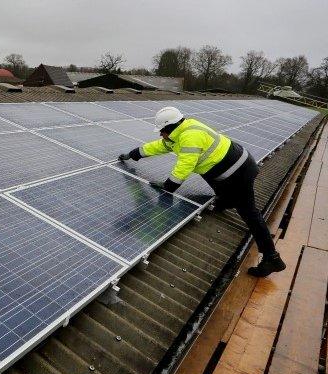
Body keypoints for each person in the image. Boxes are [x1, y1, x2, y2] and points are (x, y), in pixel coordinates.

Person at [118, 106, 285, 277]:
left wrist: (168, 188)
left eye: (162, 131)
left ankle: (272, 258)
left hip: (238, 172)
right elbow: (160, 146)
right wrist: (134, 154)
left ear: (170, 128)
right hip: (227, 169)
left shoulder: (190, 137)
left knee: (249, 212)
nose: (161, 134)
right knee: (225, 199)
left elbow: (184, 167)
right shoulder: (181, 132)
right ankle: (227, 201)